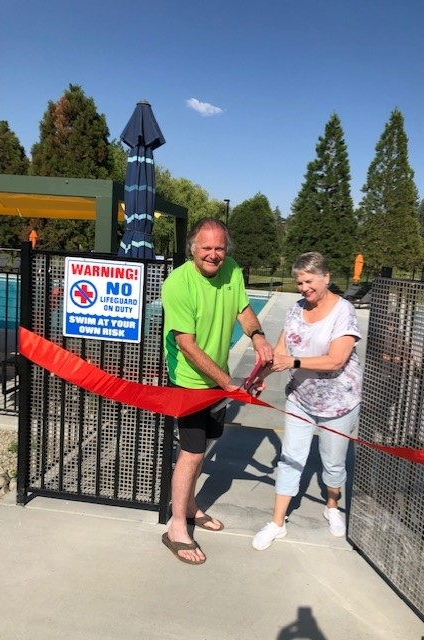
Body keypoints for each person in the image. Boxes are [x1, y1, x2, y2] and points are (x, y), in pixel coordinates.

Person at [161, 217, 273, 564]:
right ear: (193, 248)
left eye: (219, 248)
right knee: (192, 453)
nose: (213, 255)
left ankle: (191, 506)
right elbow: (187, 345)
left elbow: (242, 309)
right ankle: (176, 526)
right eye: (206, 248)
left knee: (207, 445)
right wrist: (227, 384)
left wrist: (258, 337)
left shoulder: (233, 269)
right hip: (190, 380)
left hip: (218, 378)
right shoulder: (178, 283)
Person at [252, 251, 362, 550]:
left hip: (338, 402)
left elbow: (337, 360)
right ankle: (277, 523)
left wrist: (293, 362)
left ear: (326, 277)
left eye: (309, 281)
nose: (303, 288)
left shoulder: (344, 311)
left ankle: (331, 507)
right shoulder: (294, 309)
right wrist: (264, 374)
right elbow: (280, 350)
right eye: (299, 282)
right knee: (290, 458)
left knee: (333, 462)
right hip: (300, 399)